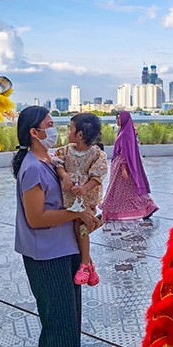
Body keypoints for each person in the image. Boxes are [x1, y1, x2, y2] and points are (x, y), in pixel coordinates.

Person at [13, 106, 101, 347]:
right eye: (49, 125)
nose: (55, 130)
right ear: (34, 132)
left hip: (65, 250)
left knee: (70, 323)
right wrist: (76, 213)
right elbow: (36, 218)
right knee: (59, 328)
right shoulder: (32, 168)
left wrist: (85, 217)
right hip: (46, 257)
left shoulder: (51, 162)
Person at [53, 113, 108, 287]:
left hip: (86, 199)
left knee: (81, 227)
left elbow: (98, 175)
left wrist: (84, 188)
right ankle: (90, 265)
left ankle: (85, 263)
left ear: (80, 135)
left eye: (70, 128)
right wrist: (65, 176)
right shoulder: (66, 150)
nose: (68, 132)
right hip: (71, 198)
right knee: (77, 229)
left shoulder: (96, 154)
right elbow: (57, 162)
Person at [101, 111, 158, 220]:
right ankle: (147, 207)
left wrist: (123, 168)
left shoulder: (125, 134)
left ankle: (147, 207)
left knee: (119, 191)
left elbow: (124, 152)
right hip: (121, 167)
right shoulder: (125, 132)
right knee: (126, 190)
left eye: (119, 119)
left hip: (123, 168)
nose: (118, 121)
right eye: (117, 119)